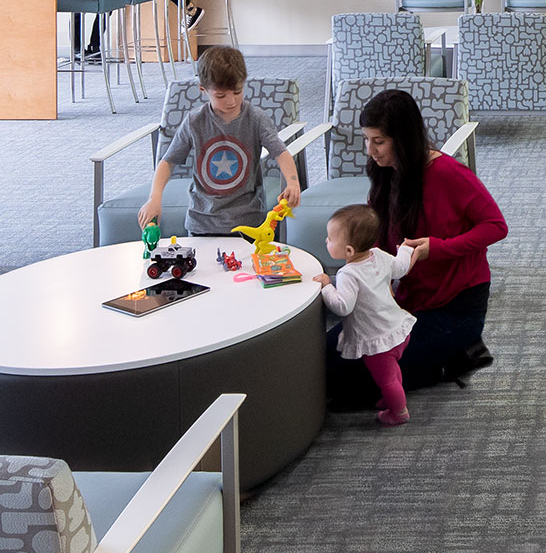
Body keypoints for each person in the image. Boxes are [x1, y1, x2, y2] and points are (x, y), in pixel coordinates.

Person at [327, 88, 508, 403]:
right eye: (366, 140)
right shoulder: (386, 174)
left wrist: (435, 248)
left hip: (455, 308)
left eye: (379, 142)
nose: (370, 150)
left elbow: (495, 226)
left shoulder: (449, 174)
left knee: (353, 384)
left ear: (403, 139)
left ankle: (455, 359)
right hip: (408, 303)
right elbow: (380, 242)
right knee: (329, 354)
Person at [136, 45, 303, 235]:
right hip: (202, 221)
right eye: (221, 96)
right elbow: (168, 161)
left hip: (248, 221)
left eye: (237, 92)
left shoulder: (255, 118)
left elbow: (281, 153)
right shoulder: (194, 121)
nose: (231, 101)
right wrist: (154, 198)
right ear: (203, 90)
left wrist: (293, 183)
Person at [314, 204, 418, 426]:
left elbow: (343, 306)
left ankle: (398, 412)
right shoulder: (379, 255)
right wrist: (406, 250)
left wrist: (326, 286)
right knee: (393, 371)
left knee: (386, 378)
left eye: (330, 239)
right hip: (397, 328)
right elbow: (400, 268)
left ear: (349, 251)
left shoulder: (347, 274)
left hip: (377, 339)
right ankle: (393, 399)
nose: (326, 241)